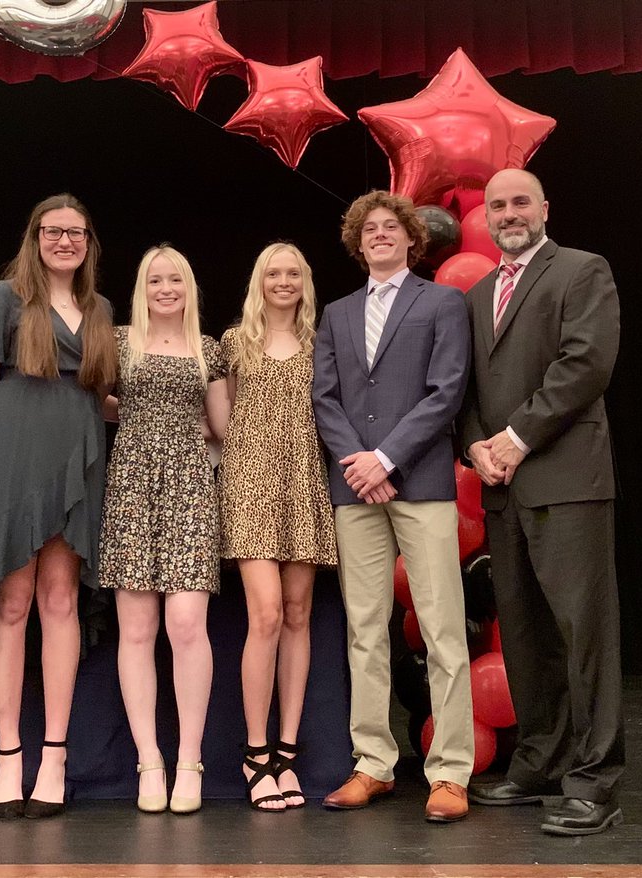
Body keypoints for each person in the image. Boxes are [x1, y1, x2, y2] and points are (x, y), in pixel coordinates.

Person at [461, 168, 624, 836]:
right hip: (502, 490)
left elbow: (586, 363)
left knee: (584, 632)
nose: (508, 213)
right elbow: (464, 385)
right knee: (525, 634)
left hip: (566, 482)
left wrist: (515, 439)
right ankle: (541, 762)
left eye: (520, 201)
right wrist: (475, 446)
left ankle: (595, 781)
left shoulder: (583, 271)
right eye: (497, 205)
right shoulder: (474, 295)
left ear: (544, 207)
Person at [312, 190, 474, 823]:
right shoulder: (336, 313)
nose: (380, 234)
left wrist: (388, 459)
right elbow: (325, 398)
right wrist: (361, 462)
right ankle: (373, 764)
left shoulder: (443, 302)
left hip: (422, 483)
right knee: (365, 629)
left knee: (441, 630)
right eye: (369, 228)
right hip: (355, 487)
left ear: (412, 239)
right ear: (358, 243)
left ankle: (451, 772)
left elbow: (447, 391)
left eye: (391, 227)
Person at [0, 194, 116, 819]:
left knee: (61, 601)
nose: (64, 241)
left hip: (78, 461)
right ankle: (7, 757)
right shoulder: (5, 299)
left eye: (76, 232)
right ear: (35, 237)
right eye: (53, 231)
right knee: (14, 602)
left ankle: (54, 756)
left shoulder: (100, 308)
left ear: (88, 243)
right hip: (11, 460)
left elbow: (100, 400)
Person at [99, 246, 230, 815]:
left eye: (176, 277)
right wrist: (129, 419)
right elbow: (95, 399)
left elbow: (225, 427)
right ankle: (149, 760)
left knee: (185, 624)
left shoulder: (209, 350)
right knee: (136, 630)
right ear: (142, 286)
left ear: (190, 286)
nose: (166, 287)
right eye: (156, 279)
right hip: (130, 485)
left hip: (191, 488)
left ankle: (190, 761)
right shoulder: (119, 341)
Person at [219, 243, 337, 812]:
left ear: (305, 281)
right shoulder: (235, 342)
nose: (283, 281)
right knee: (263, 615)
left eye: (294, 272)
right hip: (250, 486)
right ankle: (255, 752)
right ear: (258, 281)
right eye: (274, 272)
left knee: (297, 615)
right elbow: (223, 422)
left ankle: (287, 752)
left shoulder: (322, 345)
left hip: (304, 483)